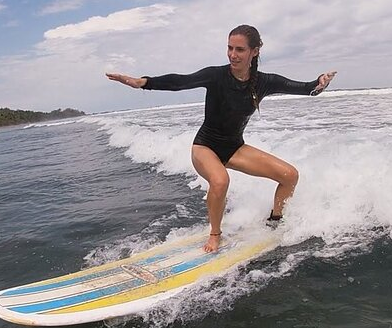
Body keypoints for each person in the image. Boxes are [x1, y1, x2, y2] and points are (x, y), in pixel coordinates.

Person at [107, 25, 336, 253]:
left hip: (234, 147)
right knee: (220, 180)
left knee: (289, 176)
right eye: (229, 48)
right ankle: (215, 234)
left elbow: (306, 89)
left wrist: (320, 83)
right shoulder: (216, 76)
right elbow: (180, 82)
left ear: (254, 51)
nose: (233, 55)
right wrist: (143, 82)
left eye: (240, 49)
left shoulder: (265, 82)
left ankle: (274, 221)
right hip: (205, 146)